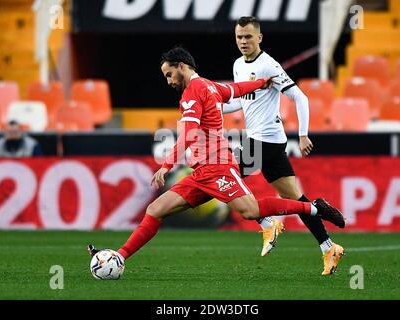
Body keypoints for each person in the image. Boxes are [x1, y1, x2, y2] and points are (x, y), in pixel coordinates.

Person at [88, 47, 344, 264]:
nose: (168, 81)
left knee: (250, 210)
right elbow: (236, 90)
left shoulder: (193, 92)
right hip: (200, 173)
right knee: (155, 209)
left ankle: (314, 208)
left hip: (219, 167)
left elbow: (188, 133)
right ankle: (119, 257)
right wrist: (259, 83)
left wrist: (166, 166)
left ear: (181, 66)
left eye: (169, 74)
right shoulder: (209, 86)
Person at [222, 16, 344, 275]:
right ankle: (328, 246)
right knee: (294, 197)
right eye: (239, 37)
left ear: (259, 38)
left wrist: (302, 135)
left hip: (263, 139)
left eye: (248, 37)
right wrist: (213, 104)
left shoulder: (269, 66)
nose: (243, 41)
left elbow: (301, 97)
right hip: (265, 140)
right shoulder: (237, 64)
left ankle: (268, 222)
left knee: (225, 180)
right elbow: (241, 102)